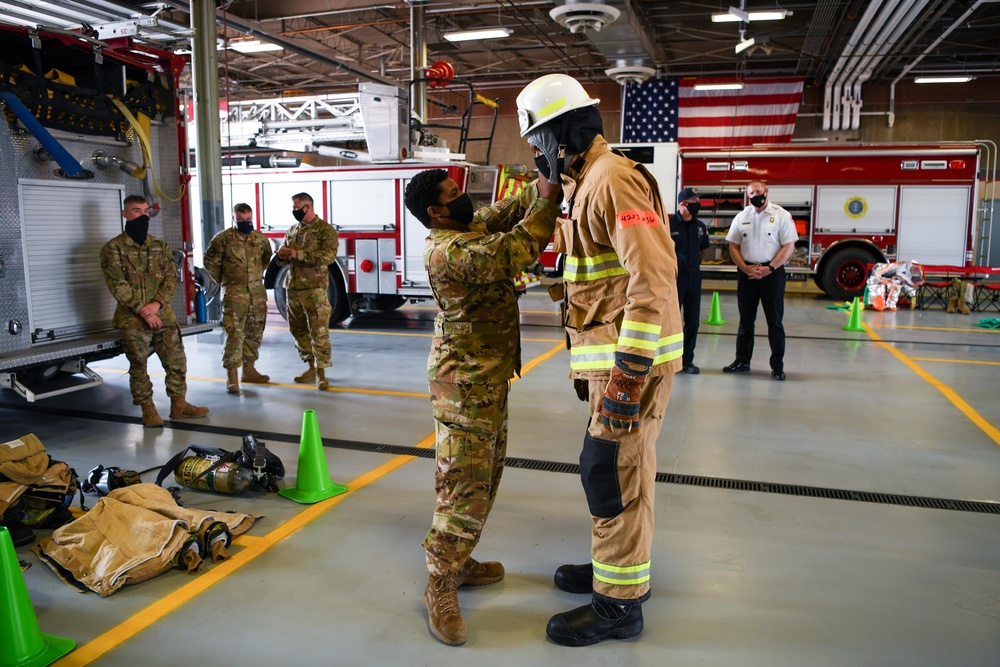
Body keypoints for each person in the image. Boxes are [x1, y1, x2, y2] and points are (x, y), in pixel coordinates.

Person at [516, 73, 683, 647]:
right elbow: (590, 270)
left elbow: (653, 276)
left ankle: (619, 607)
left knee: (612, 472)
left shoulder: (612, 179)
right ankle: (615, 568)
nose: (537, 154)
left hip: (627, 367)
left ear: (560, 134)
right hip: (607, 362)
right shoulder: (586, 183)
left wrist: (628, 373)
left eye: (538, 141)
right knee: (618, 471)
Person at [403, 168, 561, 646]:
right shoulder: (447, 250)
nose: (464, 197)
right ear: (435, 211)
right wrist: (550, 202)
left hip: (487, 378)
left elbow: (505, 211)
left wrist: (543, 181)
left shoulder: (465, 228)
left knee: (485, 477)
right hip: (465, 385)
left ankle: (460, 558)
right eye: (454, 194)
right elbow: (518, 246)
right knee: (462, 486)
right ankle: (440, 582)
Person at [100, 195, 209, 427]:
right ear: (125, 214)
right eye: (137, 211)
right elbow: (118, 285)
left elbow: (171, 279)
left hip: (163, 315)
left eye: (146, 211)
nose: (143, 215)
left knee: (176, 360)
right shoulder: (113, 249)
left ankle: (179, 404)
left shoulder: (160, 246)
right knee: (139, 365)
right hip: (133, 319)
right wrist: (144, 311)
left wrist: (157, 305)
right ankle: (147, 408)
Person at [722, 180, 798, 381]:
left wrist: (769, 268)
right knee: (745, 322)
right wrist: (745, 268)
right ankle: (742, 361)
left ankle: (777, 366)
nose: (755, 195)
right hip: (747, 274)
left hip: (772, 275)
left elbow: (788, 247)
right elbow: (733, 247)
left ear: (766, 191)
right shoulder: (742, 216)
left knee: (774, 322)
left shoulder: (781, 215)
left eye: (758, 191)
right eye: (751, 192)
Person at [203, 203, 273, 394]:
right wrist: (226, 281)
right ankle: (232, 376)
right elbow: (210, 262)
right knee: (234, 334)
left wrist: (254, 276)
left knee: (254, 332)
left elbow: (266, 258)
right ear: (233, 218)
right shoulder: (223, 239)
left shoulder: (259, 239)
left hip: (257, 294)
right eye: (241, 220)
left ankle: (249, 370)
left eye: (248, 220)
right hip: (235, 295)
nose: (245, 223)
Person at [275, 193, 339, 390]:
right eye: (293, 208)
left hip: (314, 288)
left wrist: (297, 254)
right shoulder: (293, 230)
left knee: (318, 331)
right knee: (298, 330)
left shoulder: (324, 230)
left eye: (297, 208)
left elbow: (328, 256)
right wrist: (282, 256)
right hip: (293, 288)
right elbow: (283, 259)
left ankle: (322, 373)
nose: (294, 211)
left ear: (308, 207)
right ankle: (310, 366)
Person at [671, 187, 711, 374]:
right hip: (675, 277)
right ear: (683, 204)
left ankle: (688, 360)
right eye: (694, 201)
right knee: (671, 321)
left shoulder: (700, 227)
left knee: (692, 321)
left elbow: (704, 249)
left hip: (694, 277)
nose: (698, 205)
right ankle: (671, 360)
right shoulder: (669, 225)